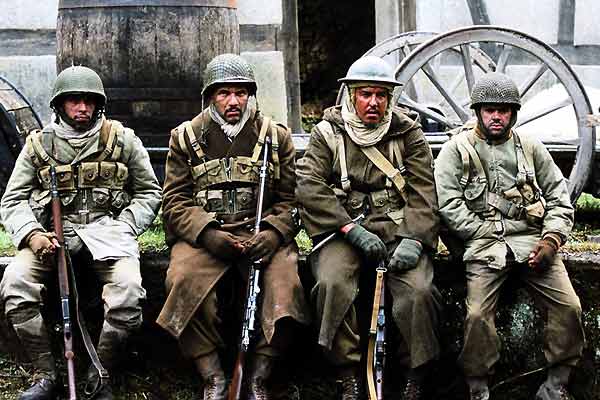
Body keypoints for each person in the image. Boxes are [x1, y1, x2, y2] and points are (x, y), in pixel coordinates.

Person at [0, 65, 161, 400]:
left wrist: (126, 225)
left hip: (109, 235)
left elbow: (149, 191)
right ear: (60, 104)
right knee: (15, 283)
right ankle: (46, 374)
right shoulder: (38, 145)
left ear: (98, 104)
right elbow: (12, 200)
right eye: (74, 100)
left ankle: (98, 375)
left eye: (89, 101)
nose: (82, 108)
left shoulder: (122, 140)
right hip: (51, 238)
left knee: (128, 291)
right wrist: (32, 235)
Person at [156, 53, 310, 400]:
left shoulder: (276, 137)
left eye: (241, 93)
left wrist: (274, 232)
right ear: (210, 97)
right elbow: (174, 201)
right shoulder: (185, 137)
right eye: (224, 93)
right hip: (205, 239)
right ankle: (212, 375)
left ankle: (258, 376)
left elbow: (292, 199)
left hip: (261, 235)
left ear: (250, 95)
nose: (233, 101)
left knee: (285, 285)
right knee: (182, 280)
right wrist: (208, 234)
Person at [296, 56, 442, 400]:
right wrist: (349, 229)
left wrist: (414, 239)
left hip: (397, 226)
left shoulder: (408, 133)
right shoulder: (327, 133)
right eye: (365, 94)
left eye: (381, 95)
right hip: (344, 229)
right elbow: (309, 187)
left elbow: (424, 191)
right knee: (331, 282)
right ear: (351, 96)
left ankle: (415, 375)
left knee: (419, 290)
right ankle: (347, 373)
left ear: (390, 99)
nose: (373, 102)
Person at [435, 72, 585, 400]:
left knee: (569, 306)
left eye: (503, 110)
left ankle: (556, 383)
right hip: (483, 248)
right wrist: (483, 234)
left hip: (532, 242)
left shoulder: (531, 148)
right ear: (478, 112)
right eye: (489, 110)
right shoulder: (455, 151)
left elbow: (559, 198)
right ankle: (478, 386)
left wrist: (551, 241)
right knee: (477, 315)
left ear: (513, 114)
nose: (496, 117)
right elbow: (449, 205)